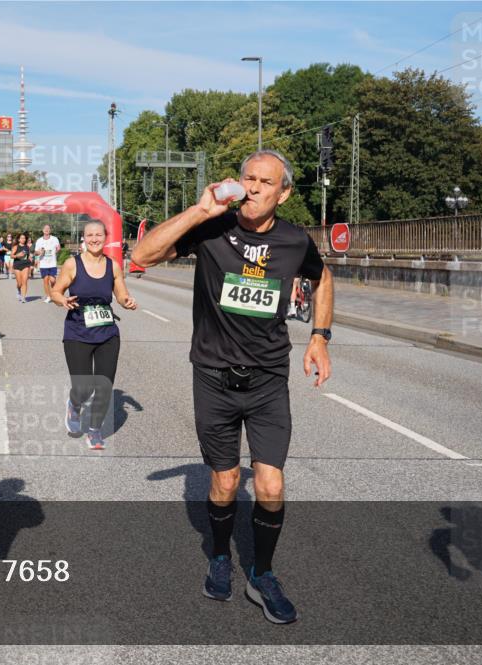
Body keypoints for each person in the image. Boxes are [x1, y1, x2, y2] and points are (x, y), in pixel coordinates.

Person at [131, 150, 333, 625]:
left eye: (266, 182)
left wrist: (320, 338)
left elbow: (322, 278)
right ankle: (220, 555)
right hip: (214, 378)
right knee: (224, 482)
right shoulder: (213, 229)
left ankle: (261, 573)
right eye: (249, 178)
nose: (255, 187)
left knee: (270, 482)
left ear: (283, 193)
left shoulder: (293, 240)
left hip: (267, 380)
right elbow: (140, 256)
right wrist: (201, 210)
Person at [50, 221, 136, 450]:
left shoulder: (113, 266)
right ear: (84, 238)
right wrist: (62, 300)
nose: (94, 239)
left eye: (98, 235)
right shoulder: (72, 264)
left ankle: (95, 430)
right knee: (83, 387)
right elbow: (56, 291)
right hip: (77, 332)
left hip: (107, 332)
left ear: (105, 237)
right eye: (90, 235)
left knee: (105, 385)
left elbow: (120, 294)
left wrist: (126, 302)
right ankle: (74, 405)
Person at [35, 224, 62, 303]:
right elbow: (36, 252)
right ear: (43, 230)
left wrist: (56, 251)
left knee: (53, 280)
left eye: (48, 228)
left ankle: (54, 293)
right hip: (43, 264)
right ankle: (49, 296)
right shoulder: (39, 240)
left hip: (52, 263)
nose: (46, 230)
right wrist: (40, 252)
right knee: (45, 280)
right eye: (45, 228)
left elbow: (58, 247)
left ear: (50, 230)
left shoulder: (55, 239)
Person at [11, 232, 33, 302]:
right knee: (19, 283)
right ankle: (18, 290)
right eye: (21, 238)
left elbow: (28, 255)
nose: (23, 239)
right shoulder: (15, 247)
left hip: (26, 265)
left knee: (25, 282)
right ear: (18, 239)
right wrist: (17, 255)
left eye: (24, 238)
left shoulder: (27, 247)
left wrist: (30, 257)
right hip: (17, 265)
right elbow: (11, 256)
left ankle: (23, 297)